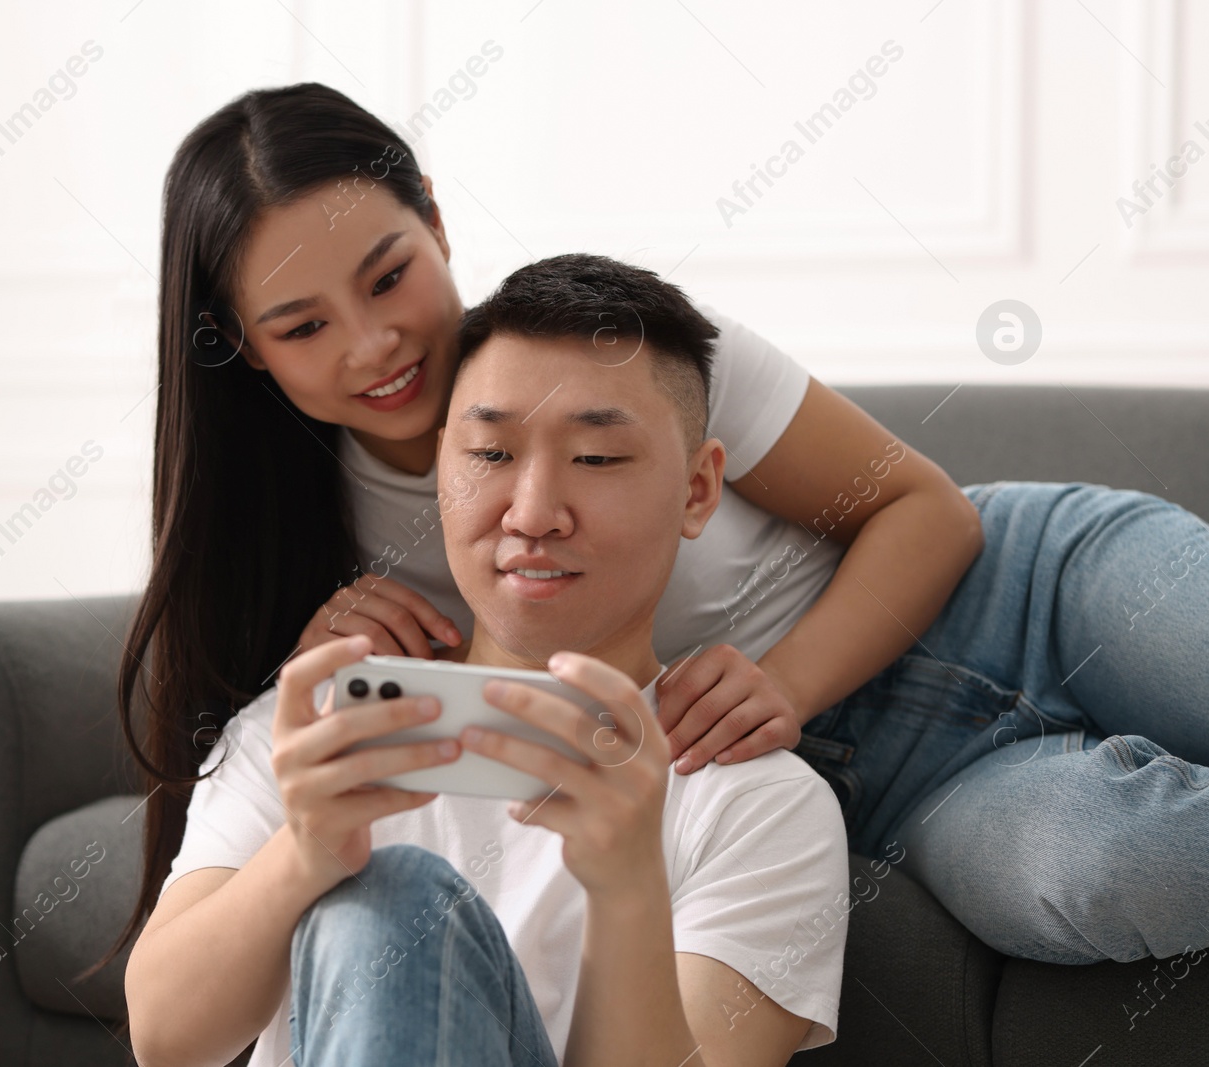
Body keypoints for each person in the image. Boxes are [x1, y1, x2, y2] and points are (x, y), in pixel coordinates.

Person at [102, 80, 1209, 982]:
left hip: (1023, 588)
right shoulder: (303, 537)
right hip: (887, 787)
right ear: (246, 348)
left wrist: (784, 679)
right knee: (1117, 868)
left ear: (435, 219)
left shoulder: (627, 347)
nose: (374, 343)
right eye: (302, 326)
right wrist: (325, 672)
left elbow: (927, 509)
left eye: (388, 274)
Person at [125, 254, 851, 1067]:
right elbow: (165, 1041)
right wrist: (306, 854)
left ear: (697, 490)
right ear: (441, 468)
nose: (533, 513)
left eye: (597, 458)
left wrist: (627, 890)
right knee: (391, 899)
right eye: (490, 456)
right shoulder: (310, 733)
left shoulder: (760, 804)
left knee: (402, 902)